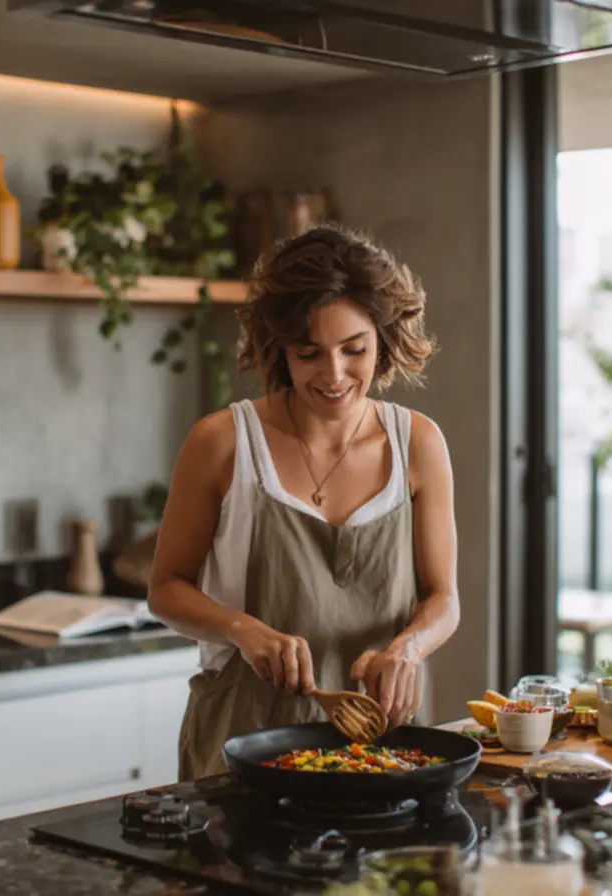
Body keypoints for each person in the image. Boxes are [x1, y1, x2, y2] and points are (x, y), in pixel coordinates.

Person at [148, 223, 461, 781]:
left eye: (354, 349)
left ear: (382, 341)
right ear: (280, 349)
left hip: (381, 743)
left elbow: (443, 598)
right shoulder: (222, 443)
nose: (335, 374)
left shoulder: (418, 443)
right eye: (308, 352)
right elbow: (166, 588)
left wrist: (407, 651)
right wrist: (241, 629)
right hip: (240, 741)